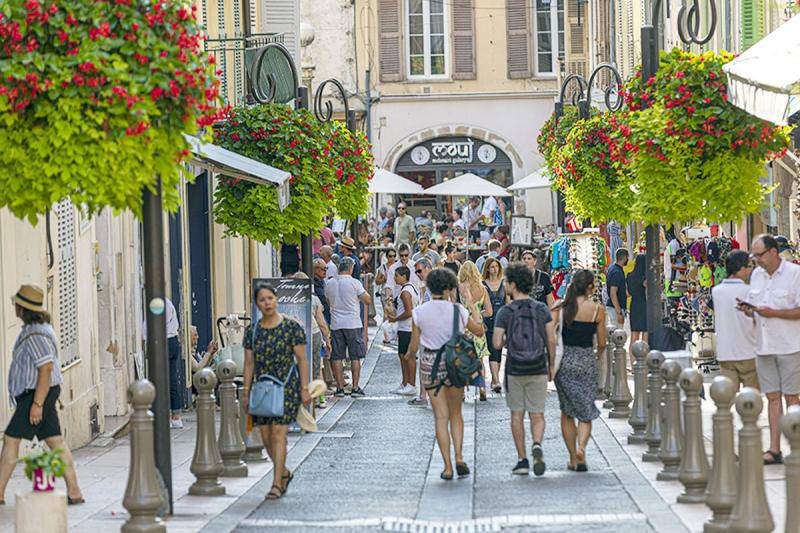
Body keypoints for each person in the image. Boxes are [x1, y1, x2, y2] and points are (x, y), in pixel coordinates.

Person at [0, 284, 85, 506]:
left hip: (36, 393)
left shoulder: (36, 333)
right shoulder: (39, 328)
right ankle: (74, 492)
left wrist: (37, 403)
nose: (15, 308)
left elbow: (45, 369)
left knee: (10, 439)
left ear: (22, 309)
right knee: (56, 441)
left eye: (16, 305)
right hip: (41, 392)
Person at [405, 268, 485, 480]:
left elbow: (413, 348)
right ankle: (459, 457)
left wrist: (408, 355)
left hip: (431, 364)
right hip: (455, 363)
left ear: (430, 287)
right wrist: (472, 304)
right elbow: (479, 330)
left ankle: (447, 467)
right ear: (450, 288)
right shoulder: (458, 310)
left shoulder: (420, 312)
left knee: (440, 416)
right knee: (456, 414)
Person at [242, 283, 310, 500]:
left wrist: (305, 388)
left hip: (286, 387)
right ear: (257, 304)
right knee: (266, 436)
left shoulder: (291, 328)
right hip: (262, 389)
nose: (267, 303)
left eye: (270, 298)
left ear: (276, 299)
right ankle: (284, 472)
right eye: (262, 300)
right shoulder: (252, 332)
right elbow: (249, 364)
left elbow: (301, 360)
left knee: (279, 433)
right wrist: (245, 391)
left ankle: (276, 483)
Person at [740, 234, 800, 465]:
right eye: (753, 256)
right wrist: (750, 310)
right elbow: (757, 308)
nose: (756, 260)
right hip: (764, 345)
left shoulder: (794, 274)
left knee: (792, 397)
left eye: (759, 255)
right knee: (772, 397)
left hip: (789, 345)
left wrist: (773, 313)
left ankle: (795, 446)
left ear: (773, 252)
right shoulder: (756, 276)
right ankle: (774, 449)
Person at [492, 263, 555, 476]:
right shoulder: (541, 309)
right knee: (537, 414)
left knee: (516, 415)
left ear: (512, 284)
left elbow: (497, 343)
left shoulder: (505, 312)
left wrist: (510, 338)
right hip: (538, 366)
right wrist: (551, 364)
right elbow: (551, 339)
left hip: (515, 369)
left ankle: (522, 459)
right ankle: (537, 443)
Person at [551, 270, 606, 472]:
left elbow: (550, 336)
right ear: (590, 287)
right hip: (586, 361)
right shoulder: (597, 310)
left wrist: (550, 364)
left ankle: (573, 457)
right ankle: (582, 448)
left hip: (564, 362)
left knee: (567, 412)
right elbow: (602, 343)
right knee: (585, 411)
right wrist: (598, 355)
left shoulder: (561, 307)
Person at [711, 250, 758, 390]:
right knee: (751, 401)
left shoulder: (716, 291)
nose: (751, 270)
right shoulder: (750, 291)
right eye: (749, 266)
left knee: (726, 398)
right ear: (742, 269)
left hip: (726, 353)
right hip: (748, 351)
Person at [325, 257, 371, 397]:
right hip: (352, 323)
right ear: (351, 268)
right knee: (355, 356)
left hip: (336, 324)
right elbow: (367, 299)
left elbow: (328, 301)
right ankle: (355, 387)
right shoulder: (354, 283)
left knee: (337, 356)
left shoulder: (329, 283)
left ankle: (339, 388)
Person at [142, 296, 183, 428]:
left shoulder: (156, 304)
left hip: (161, 342)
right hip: (173, 341)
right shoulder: (169, 303)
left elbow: (150, 326)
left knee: (159, 380)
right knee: (172, 380)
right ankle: (176, 416)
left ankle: (163, 416)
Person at [293, 272, 332, 408]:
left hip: (295, 336)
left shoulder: (288, 299)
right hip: (314, 333)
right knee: (316, 367)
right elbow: (321, 323)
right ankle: (320, 399)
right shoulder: (314, 299)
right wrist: (327, 340)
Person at [458, 261, 492, 401]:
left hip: (465, 327)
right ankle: (482, 389)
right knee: (480, 360)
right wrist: (478, 313)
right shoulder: (482, 288)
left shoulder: (460, 287)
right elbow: (489, 312)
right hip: (478, 327)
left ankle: (463, 392)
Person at [387, 266, 419, 396]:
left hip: (407, 328)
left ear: (404, 276)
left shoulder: (405, 292)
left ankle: (411, 384)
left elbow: (409, 311)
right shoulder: (411, 288)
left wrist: (395, 319)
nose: (395, 278)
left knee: (408, 356)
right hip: (406, 327)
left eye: (397, 275)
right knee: (402, 355)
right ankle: (405, 383)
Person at [482, 256, 507, 393]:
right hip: (488, 321)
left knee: (499, 350)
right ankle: (496, 379)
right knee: (492, 349)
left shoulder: (504, 283)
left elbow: (508, 302)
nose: (495, 269)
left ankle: (494, 378)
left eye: (496, 266)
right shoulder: (482, 284)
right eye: (492, 266)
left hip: (501, 321)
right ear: (487, 269)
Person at [626, 253, 648, 368]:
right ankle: (643, 363)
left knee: (634, 336)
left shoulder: (629, 276)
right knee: (645, 335)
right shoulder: (645, 278)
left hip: (634, 306)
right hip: (644, 305)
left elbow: (628, 293)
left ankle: (633, 363)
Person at [375, 246, 398, 345]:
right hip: (385, 293)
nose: (392, 258)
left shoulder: (398, 267)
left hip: (395, 293)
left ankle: (396, 335)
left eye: (394, 256)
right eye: (390, 256)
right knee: (386, 315)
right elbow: (376, 281)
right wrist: (384, 279)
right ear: (386, 256)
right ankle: (387, 337)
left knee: (396, 313)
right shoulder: (383, 267)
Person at [605, 248, 629, 328]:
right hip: (615, 309)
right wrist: (619, 312)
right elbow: (613, 293)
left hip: (614, 307)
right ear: (625, 258)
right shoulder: (617, 272)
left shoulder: (613, 269)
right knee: (617, 337)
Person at [313, 258, 331, 324]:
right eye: (323, 269)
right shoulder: (312, 284)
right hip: (320, 317)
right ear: (315, 269)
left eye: (326, 268)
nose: (325, 271)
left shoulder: (322, 281)